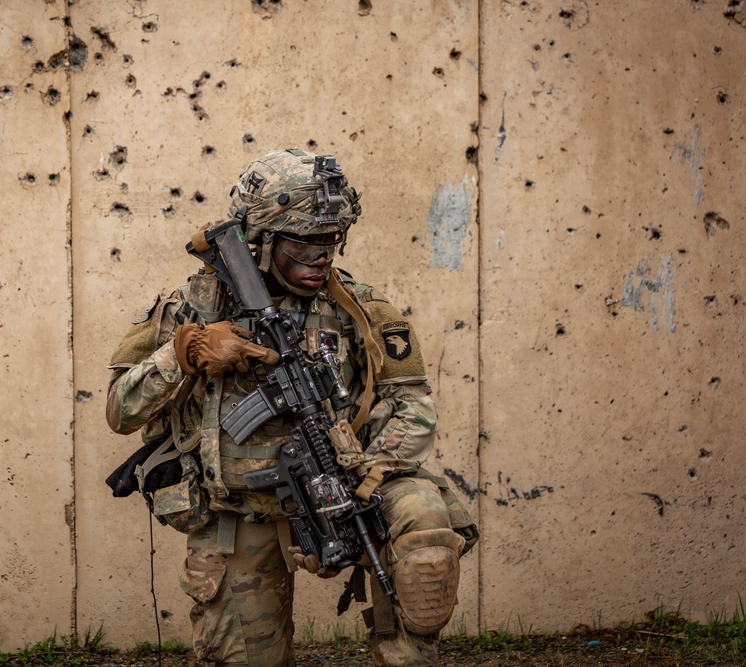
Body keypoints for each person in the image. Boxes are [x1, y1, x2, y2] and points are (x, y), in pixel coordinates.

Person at [105, 148, 477, 667]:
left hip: (350, 488)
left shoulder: (363, 310)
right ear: (258, 239)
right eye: (304, 242)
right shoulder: (193, 308)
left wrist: (364, 478)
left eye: (330, 241)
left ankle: (406, 655)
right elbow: (121, 412)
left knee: (425, 526)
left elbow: (412, 409)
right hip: (240, 512)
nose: (321, 257)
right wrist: (185, 353)